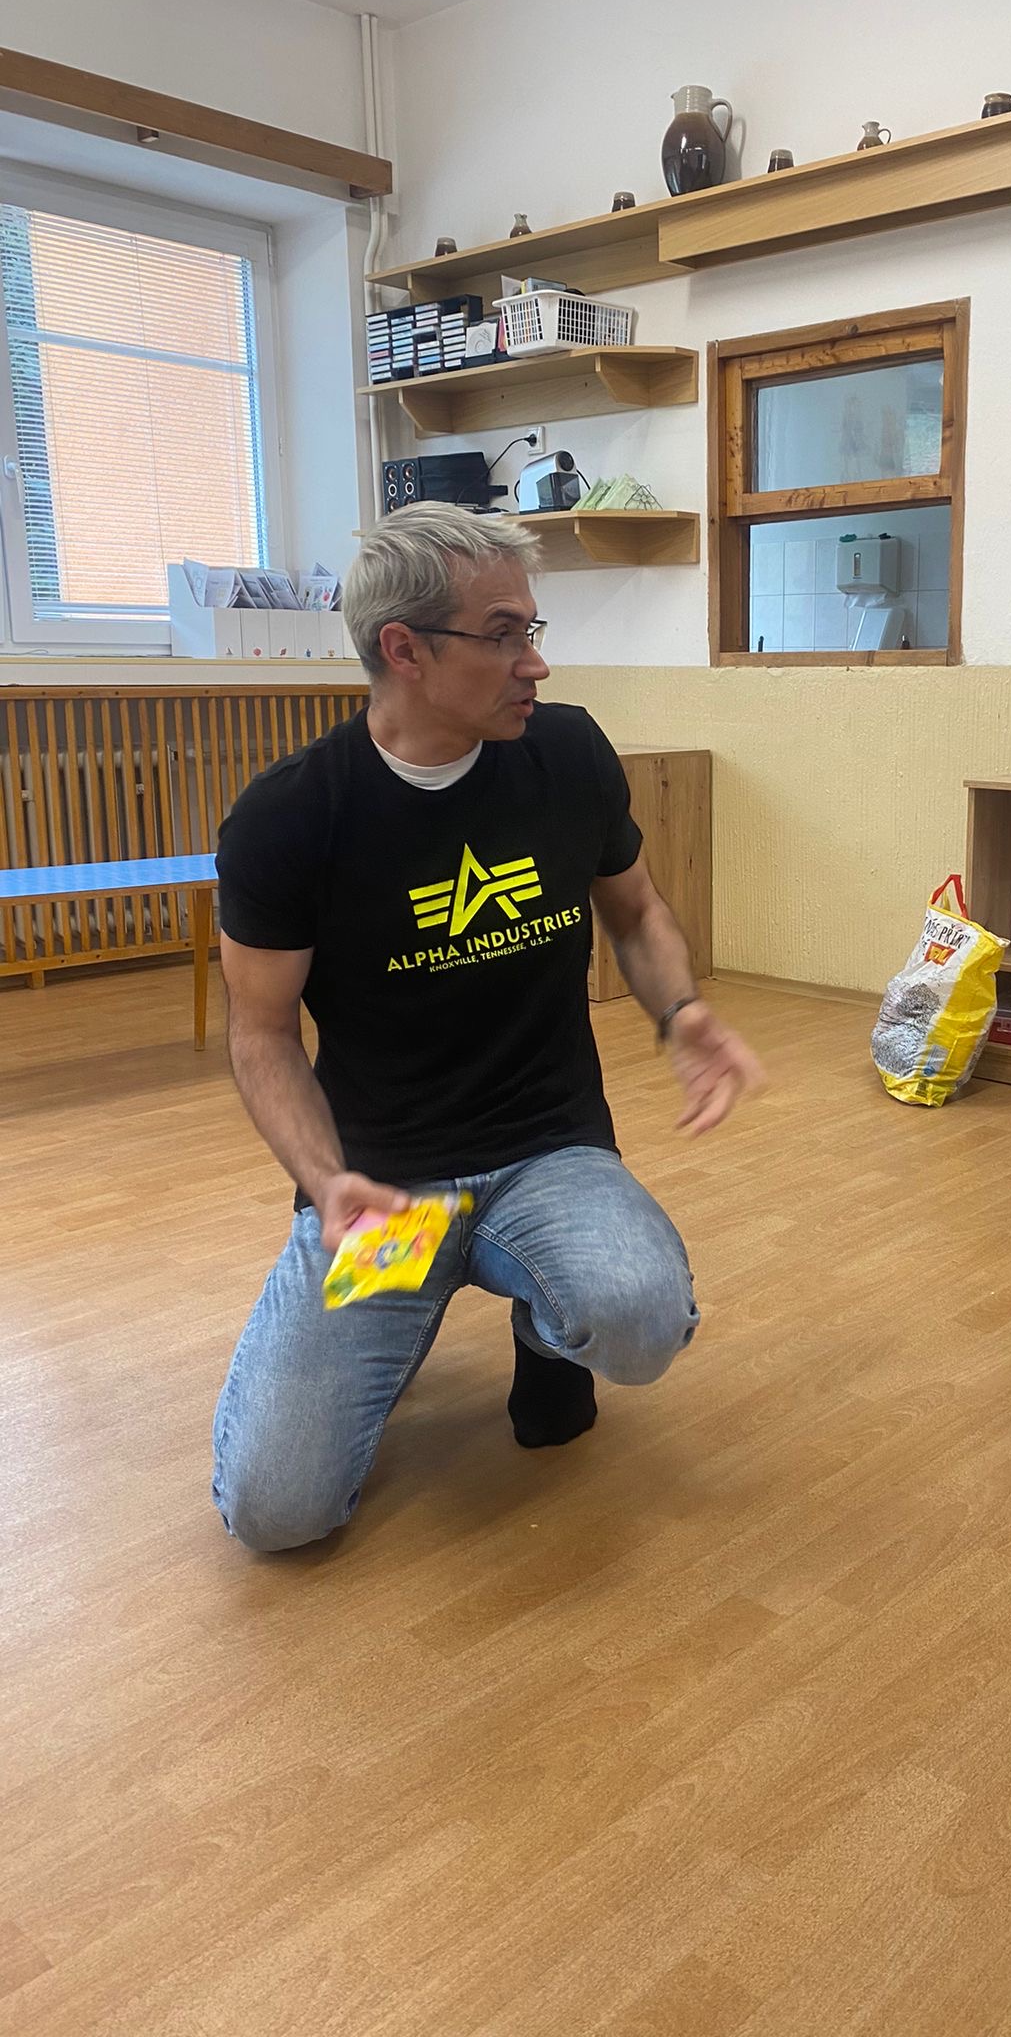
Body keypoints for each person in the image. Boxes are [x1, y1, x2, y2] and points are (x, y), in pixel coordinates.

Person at [211, 503, 762, 1551]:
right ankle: (399, 1311)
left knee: (641, 1319)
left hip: (547, 1151)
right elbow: (261, 1036)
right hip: (386, 1192)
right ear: (404, 649)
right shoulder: (291, 816)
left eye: (533, 630)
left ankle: (543, 1329)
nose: (536, 663)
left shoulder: (567, 751)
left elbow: (637, 911)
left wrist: (681, 1009)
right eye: (504, 635)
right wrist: (327, 1182)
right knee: (277, 1513)